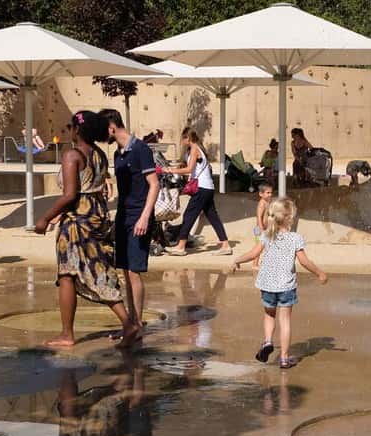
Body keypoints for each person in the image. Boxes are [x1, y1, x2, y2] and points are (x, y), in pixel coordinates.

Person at [34, 111, 138, 349]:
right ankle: (128, 322)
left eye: (70, 126)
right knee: (99, 271)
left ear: (77, 130)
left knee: (67, 275)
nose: (68, 130)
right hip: (96, 217)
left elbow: (70, 194)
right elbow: (94, 188)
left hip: (76, 223)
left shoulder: (72, 155)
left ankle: (67, 334)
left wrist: (45, 218)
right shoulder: (100, 154)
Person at [231, 196, 328, 369]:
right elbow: (304, 262)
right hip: (286, 286)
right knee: (285, 321)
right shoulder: (295, 238)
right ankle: (283, 358)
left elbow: (253, 254)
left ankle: (268, 341)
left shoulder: (266, 236)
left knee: (269, 314)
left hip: (267, 284)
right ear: (289, 218)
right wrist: (320, 273)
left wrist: (237, 260)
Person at [104, 108, 160, 334]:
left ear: (112, 127)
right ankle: (131, 323)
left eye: (102, 131)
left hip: (139, 216)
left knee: (134, 271)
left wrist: (145, 216)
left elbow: (154, 184)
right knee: (125, 271)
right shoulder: (118, 154)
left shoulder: (140, 149)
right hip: (123, 216)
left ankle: (136, 323)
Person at [165, 128, 231, 256]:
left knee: (189, 216)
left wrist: (170, 170)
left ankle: (180, 246)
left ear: (188, 138)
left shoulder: (195, 149)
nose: (182, 141)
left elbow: (189, 169)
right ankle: (225, 245)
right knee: (213, 217)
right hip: (208, 188)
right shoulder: (195, 149)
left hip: (201, 188)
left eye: (183, 139)